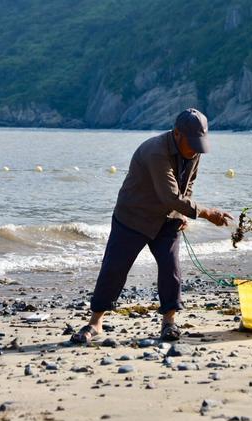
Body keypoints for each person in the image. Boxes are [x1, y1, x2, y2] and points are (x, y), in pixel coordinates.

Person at [71, 108, 233, 344]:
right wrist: (207, 213)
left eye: (200, 143)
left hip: (167, 218)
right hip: (133, 216)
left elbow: (186, 187)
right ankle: (96, 322)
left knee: (171, 269)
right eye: (192, 143)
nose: (195, 150)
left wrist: (182, 214)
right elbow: (169, 195)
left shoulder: (193, 150)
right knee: (114, 268)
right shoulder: (156, 151)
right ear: (177, 134)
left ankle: (169, 322)